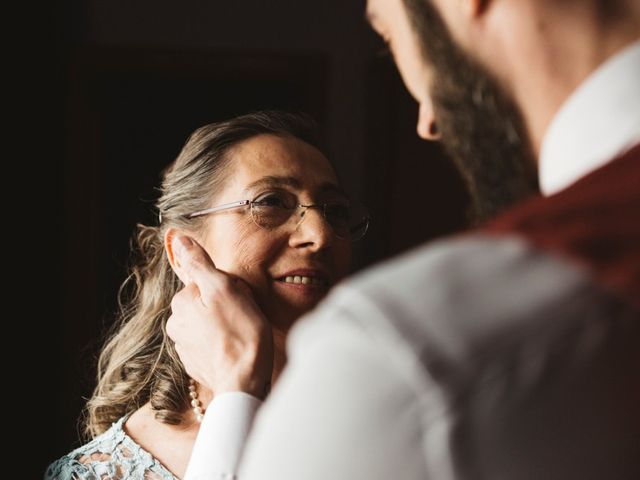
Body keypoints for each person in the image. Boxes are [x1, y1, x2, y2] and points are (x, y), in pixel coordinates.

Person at [170, 0, 640, 479]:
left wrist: (235, 395)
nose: (428, 120)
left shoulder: (402, 359)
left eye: (391, 35)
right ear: (181, 248)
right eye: (270, 201)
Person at [45, 110, 369, 479]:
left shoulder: (397, 416)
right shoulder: (95, 474)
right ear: (184, 251)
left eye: (336, 212)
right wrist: (239, 388)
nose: (321, 234)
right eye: (271, 202)